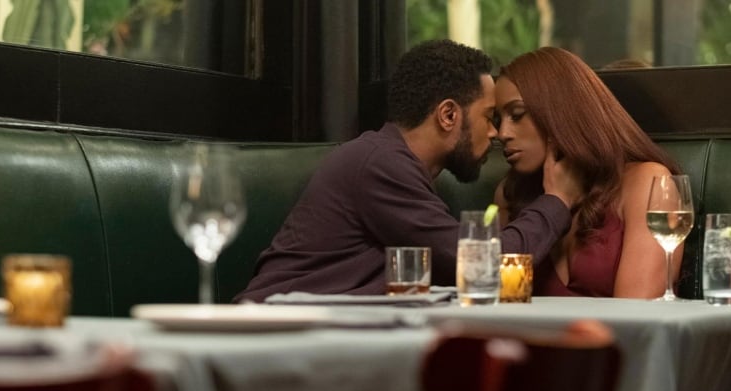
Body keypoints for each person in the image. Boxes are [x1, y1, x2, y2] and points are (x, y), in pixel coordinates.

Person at [234, 39, 581, 303]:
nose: (496, 133)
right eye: (489, 117)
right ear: (448, 115)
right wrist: (558, 199)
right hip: (269, 339)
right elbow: (487, 266)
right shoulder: (381, 166)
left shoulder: (393, 163)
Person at [494, 47, 682, 299]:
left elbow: (637, 318)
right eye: (498, 119)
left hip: (617, 338)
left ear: (560, 112)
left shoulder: (648, 183)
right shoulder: (510, 195)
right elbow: (504, 308)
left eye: (516, 115)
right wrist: (555, 201)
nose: (502, 133)